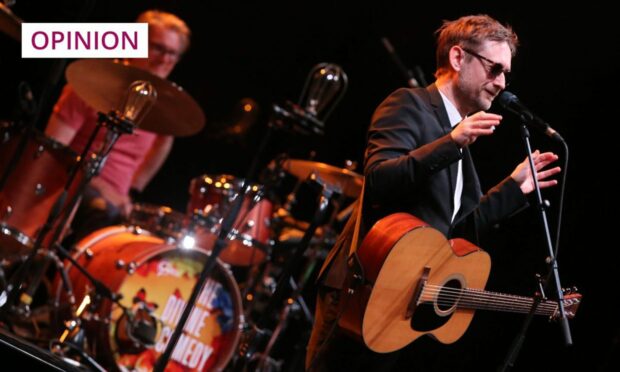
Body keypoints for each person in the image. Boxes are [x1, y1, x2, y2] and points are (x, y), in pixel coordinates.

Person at [306, 14, 561, 371]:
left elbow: (456, 232)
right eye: (494, 69)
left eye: (505, 73)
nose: (502, 82)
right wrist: (451, 143)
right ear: (458, 59)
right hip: (361, 289)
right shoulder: (409, 105)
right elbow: (380, 178)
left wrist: (514, 188)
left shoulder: (458, 139)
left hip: (398, 302)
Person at [45, 10, 191, 240]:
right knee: (100, 211)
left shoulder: (163, 107)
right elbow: (52, 151)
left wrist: (132, 191)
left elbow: (163, 143)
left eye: (173, 54)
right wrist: (102, 187)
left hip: (118, 202)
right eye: (158, 48)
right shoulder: (91, 86)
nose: (165, 60)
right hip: (70, 184)